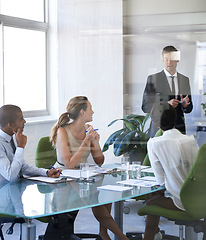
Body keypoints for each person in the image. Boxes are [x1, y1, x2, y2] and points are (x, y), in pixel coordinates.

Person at [50, 96, 129, 240]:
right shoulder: (62, 131)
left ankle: (103, 234)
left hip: (82, 176)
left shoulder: (88, 129)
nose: (93, 112)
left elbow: (99, 161)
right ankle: (121, 238)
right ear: (82, 112)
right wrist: (86, 142)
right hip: (64, 177)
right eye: (90, 108)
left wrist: (95, 142)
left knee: (107, 193)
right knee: (95, 201)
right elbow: (69, 164)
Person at [142, 106, 199, 240]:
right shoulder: (190, 140)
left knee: (152, 201)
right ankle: (156, 235)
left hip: (183, 202)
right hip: (201, 198)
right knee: (155, 196)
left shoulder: (154, 143)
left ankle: (151, 236)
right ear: (175, 119)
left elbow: (160, 180)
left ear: (155, 122)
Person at [0, 104, 61, 182]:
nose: (24, 121)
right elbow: (10, 175)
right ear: (10, 125)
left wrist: (46, 172)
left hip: (16, 189)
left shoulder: (12, 137)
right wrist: (20, 147)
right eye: (21, 119)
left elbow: (22, 167)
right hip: (5, 191)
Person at [142, 45, 193, 137]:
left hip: (179, 129)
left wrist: (185, 106)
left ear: (177, 60)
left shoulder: (185, 80)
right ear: (162, 60)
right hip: (159, 130)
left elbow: (189, 108)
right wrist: (166, 104)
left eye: (172, 59)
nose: (169, 62)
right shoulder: (153, 79)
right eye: (166, 59)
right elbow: (145, 106)